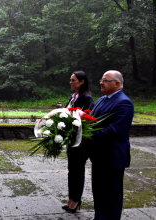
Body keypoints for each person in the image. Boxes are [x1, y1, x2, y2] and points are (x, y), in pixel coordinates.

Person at [89, 70, 134, 219]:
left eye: (105, 80)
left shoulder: (124, 102)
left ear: (117, 84)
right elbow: (93, 121)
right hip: (99, 154)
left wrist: (88, 136)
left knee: (112, 194)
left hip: (113, 156)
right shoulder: (102, 99)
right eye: (101, 80)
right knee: (99, 191)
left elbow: (115, 130)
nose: (101, 83)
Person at [62, 71, 94, 213]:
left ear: (82, 82)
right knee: (71, 170)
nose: (71, 82)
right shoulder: (73, 97)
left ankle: (76, 201)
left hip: (81, 141)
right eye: (70, 80)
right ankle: (71, 199)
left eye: (73, 80)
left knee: (78, 170)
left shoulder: (86, 98)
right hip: (72, 139)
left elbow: (90, 118)